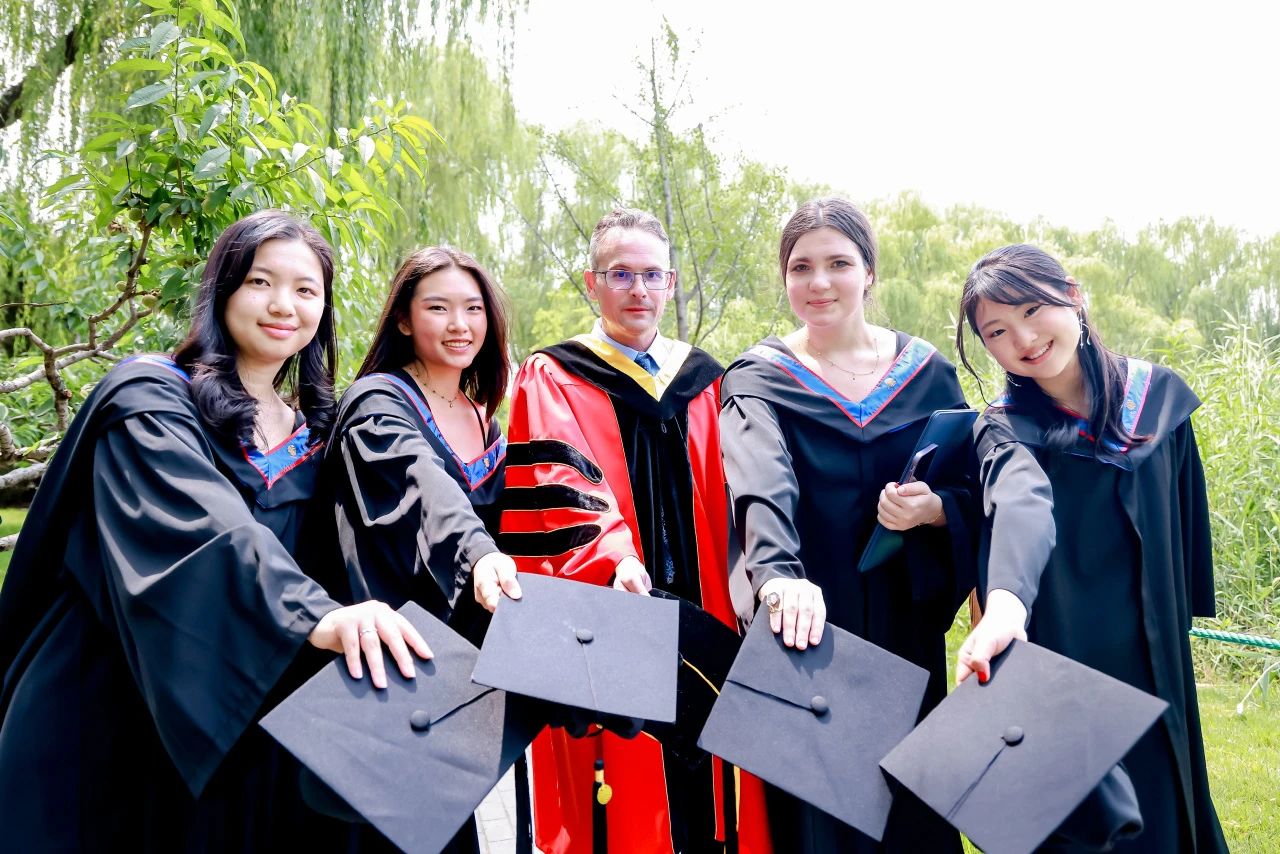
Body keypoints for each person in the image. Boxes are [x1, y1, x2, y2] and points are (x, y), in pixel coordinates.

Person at [0, 210, 431, 851]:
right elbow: (212, 532)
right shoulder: (147, 399)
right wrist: (316, 615)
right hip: (107, 710)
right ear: (223, 290)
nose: (283, 304)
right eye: (261, 281)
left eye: (306, 290)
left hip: (236, 723)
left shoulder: (320, 437)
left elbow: (396, 538)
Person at [499, 208, 772, 854]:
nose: (638, 289)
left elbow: (744, 488)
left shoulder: (705, 379)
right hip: (615, 615)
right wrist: (616, 558)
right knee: (621, 805)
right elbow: (563, 486)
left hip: (706, 623)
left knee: (709, 793)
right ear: (592, 284)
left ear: (672, 283)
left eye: (651, 274)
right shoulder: (553, 376)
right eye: (620, 274)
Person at [952, 244, 1228, 853]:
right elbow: (1017, 507)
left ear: (1073, 295)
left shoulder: (1159, 401)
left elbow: (1184, 521)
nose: (1022, 338)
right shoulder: (1002, 428)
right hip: (1061, 648)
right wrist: (1003, 603)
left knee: (1163, 804)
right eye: (996, 330)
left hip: (1152, 647)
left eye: (1031, 309)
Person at [719, 197, 971, 853]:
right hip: (807, 628)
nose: (819, 282)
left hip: (903, 627)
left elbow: (974, 484)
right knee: (817, 821)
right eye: (801, 267)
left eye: (838, 263)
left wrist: (937, 509)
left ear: (869, 274)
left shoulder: (928, 374)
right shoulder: (759, 377)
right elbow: (759, 479)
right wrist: (776, 577)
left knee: (908, 809)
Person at [315, 246, 524, 851]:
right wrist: (478, 555)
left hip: (457, 668)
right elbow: (423, 486)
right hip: (389, 655)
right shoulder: (379, 405)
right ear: (404, 320)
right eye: (438, 308)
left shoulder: (482, 415)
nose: (460, 325)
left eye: (473, 309)